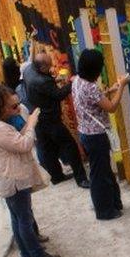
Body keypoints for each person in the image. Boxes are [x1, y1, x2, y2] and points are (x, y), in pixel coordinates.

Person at [0, 84, 59, 257]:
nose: (15, 107)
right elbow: (24, 145)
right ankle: (37, 256)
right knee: (25, 220)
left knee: (17, 218)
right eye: (10, 105)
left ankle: (25, 254)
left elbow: (14, 143)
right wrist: (32, 123)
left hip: (6, 180)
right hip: (14, 180)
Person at [71, 49, 130, 220]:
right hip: (96, 136)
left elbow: (91, 100)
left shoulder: (77, 81)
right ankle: (104, 211)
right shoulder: (90, 86)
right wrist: (122, 87)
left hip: (85, 133)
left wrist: (111, 89)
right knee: (99, 175)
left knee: (102, 171)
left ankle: (114, 204)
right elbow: (111, 107)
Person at [23, 51, 88, 187]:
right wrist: (72, 83)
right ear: (41, 67)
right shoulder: (43, 81)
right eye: (49, 66)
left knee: (48, 149)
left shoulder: (28, 70)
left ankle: (57, 176)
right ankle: (81, 178)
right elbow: (58, 94)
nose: (52, 68)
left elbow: (45, 88)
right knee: (70, 146)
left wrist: (54, 81)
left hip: (37, 116)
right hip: (50, 119)